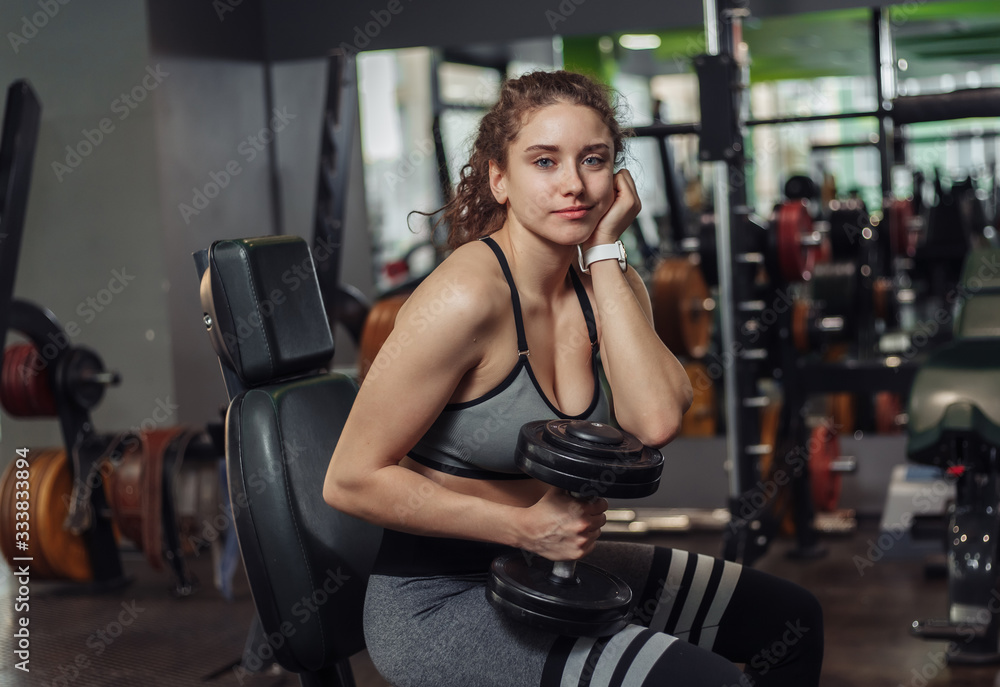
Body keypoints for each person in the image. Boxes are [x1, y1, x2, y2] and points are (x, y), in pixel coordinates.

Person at [324, 70, 823, 687]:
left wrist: (607, 254)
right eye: (544, 161)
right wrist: (523, 526)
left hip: (548, 568)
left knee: (790, 622)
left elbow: (658, 420)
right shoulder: (464, 298)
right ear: (498, 178)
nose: (574, 185)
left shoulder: (609, 285)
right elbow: (349, 481)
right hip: (439, 600)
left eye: (594, 160)